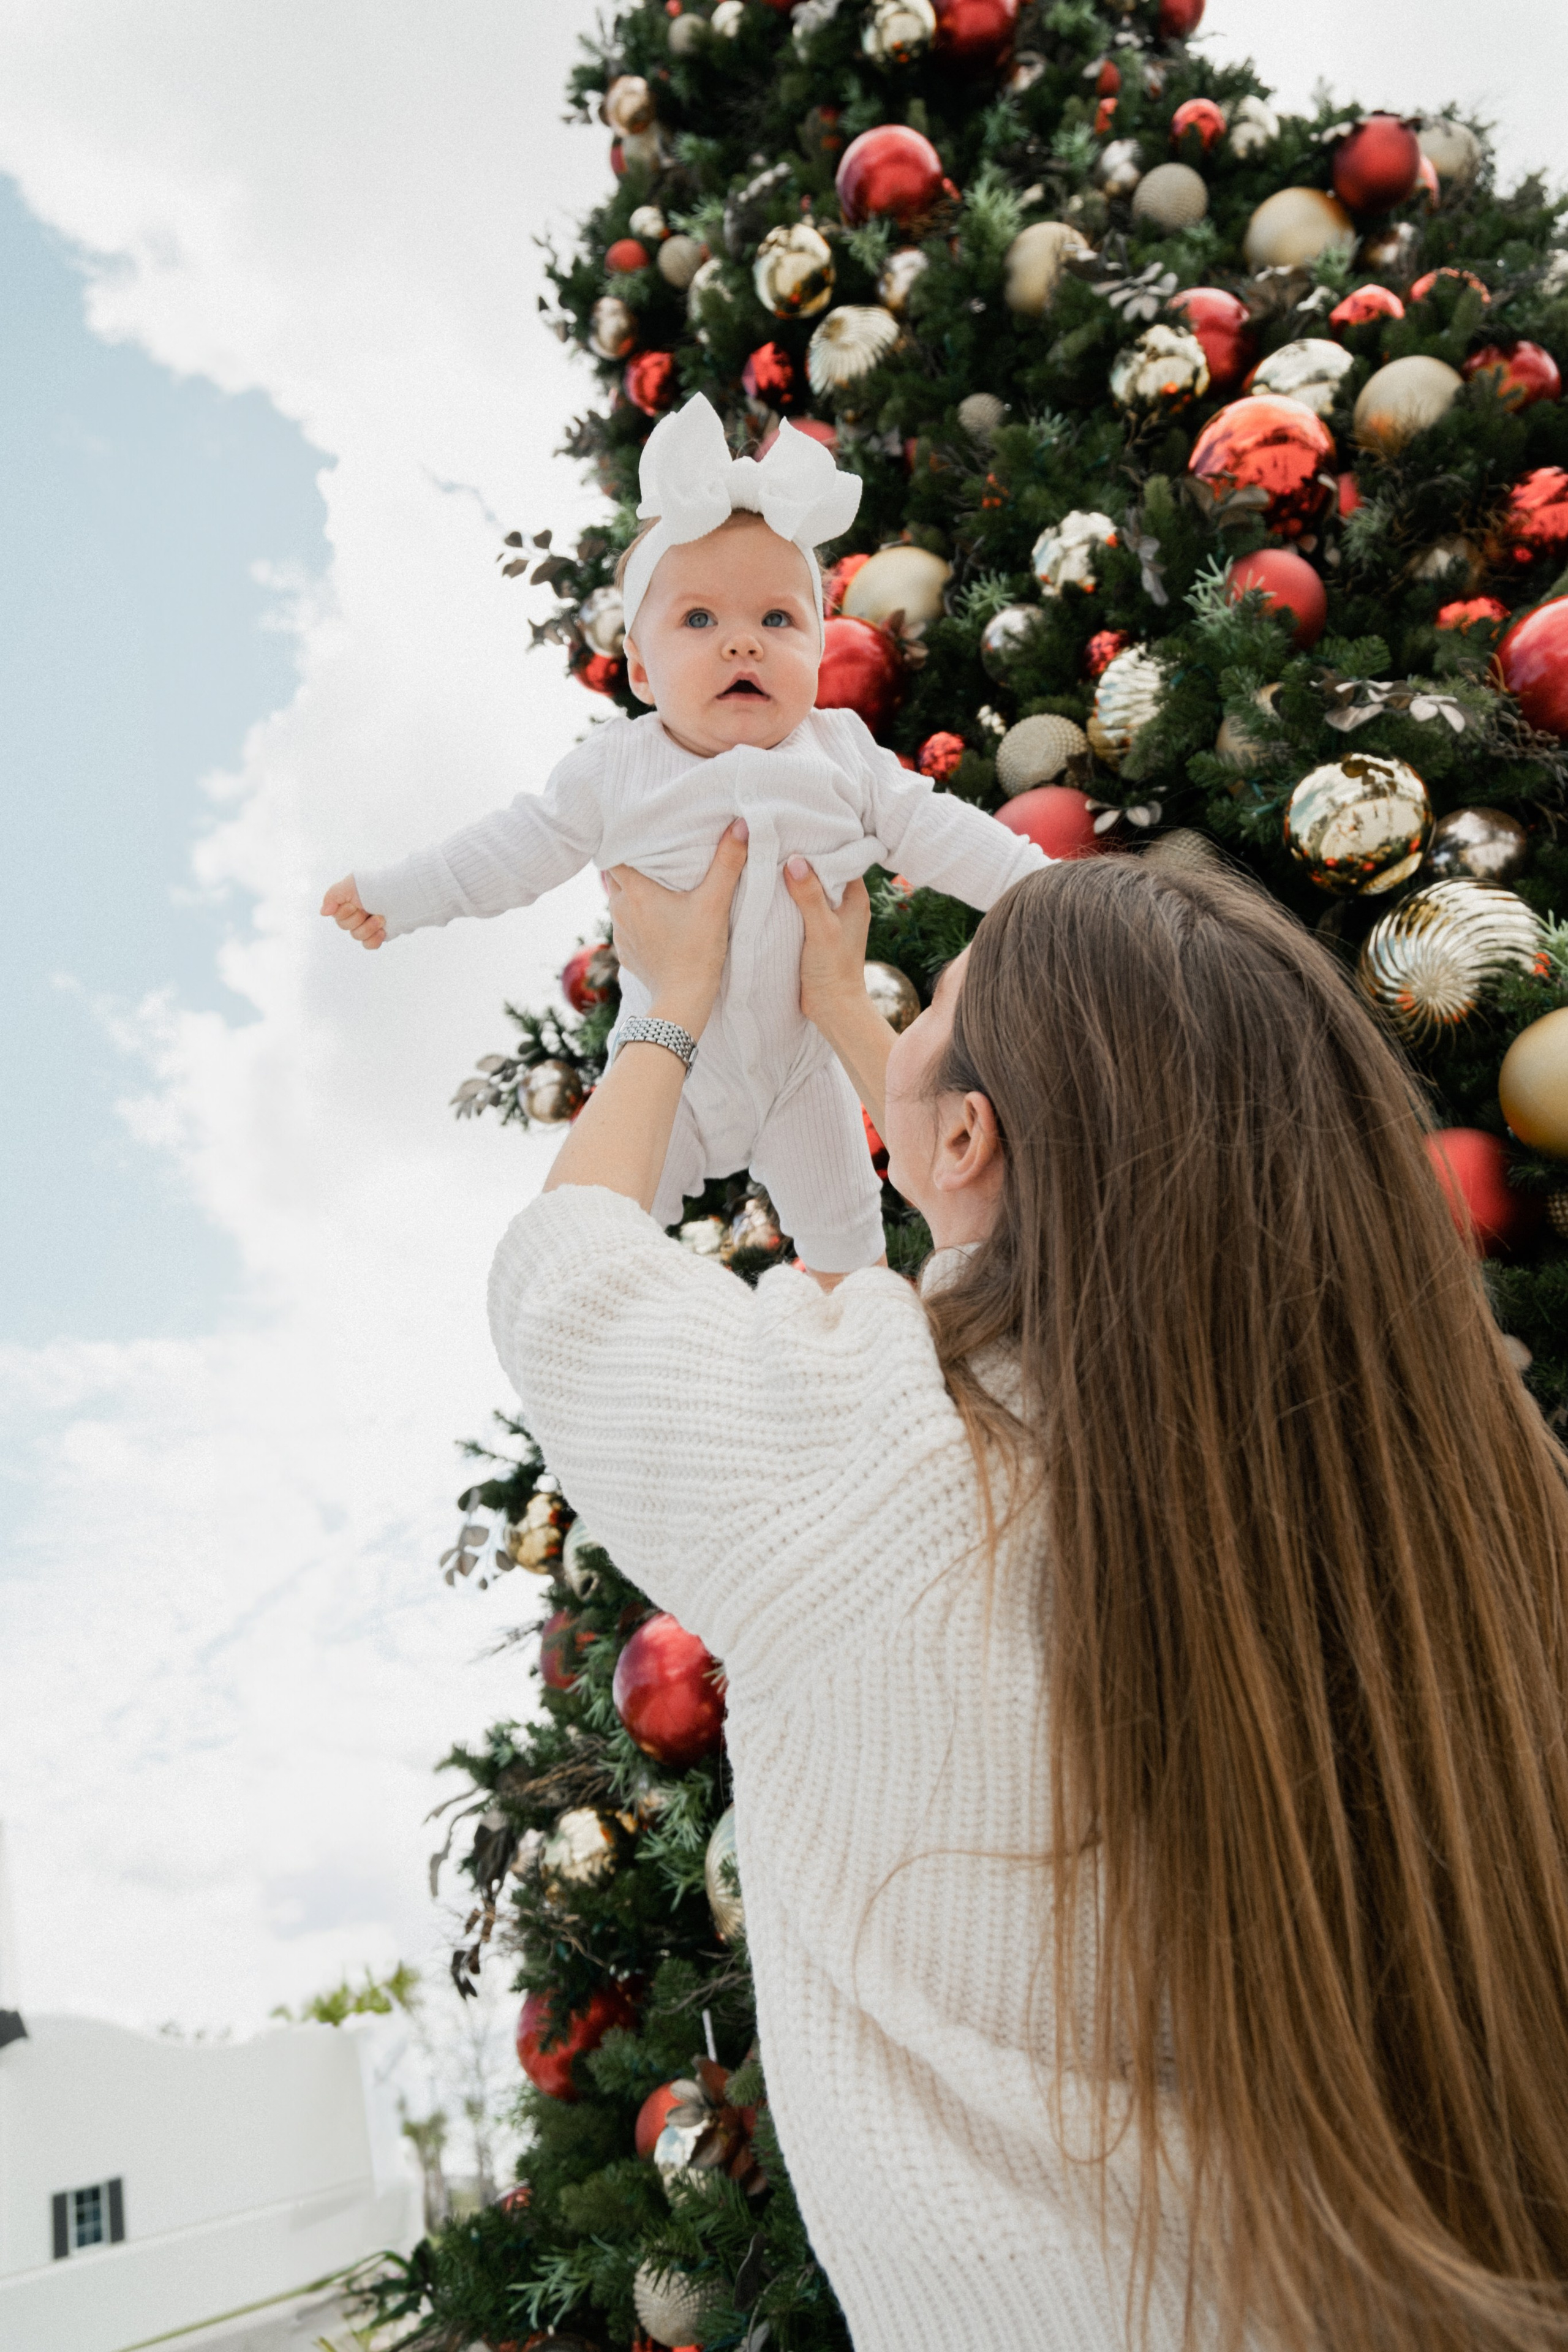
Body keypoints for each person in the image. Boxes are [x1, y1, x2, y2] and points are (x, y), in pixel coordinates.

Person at [487, 829, 1568, 2352]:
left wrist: (666, 1005)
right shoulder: (1467, 1508)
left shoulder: (870, 1448)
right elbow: (1065, 1198)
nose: (895, 1021)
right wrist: (873, 1031)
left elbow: (566, 1277)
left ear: (971, 1139)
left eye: (921, 1007)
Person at [318, 391, 1045, 1277]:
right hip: (668, 1061)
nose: (743, 644)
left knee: (849, 1233)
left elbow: (941, 831)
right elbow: (513, 849)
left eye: (778, 620)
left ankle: (839, 1354)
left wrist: (1042, 890)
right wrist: (400, 896)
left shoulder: (845, 757)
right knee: (603, 1230)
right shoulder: (615, 771)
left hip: (797, 1073)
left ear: (820, 650)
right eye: (699, 620)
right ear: (638, 669)